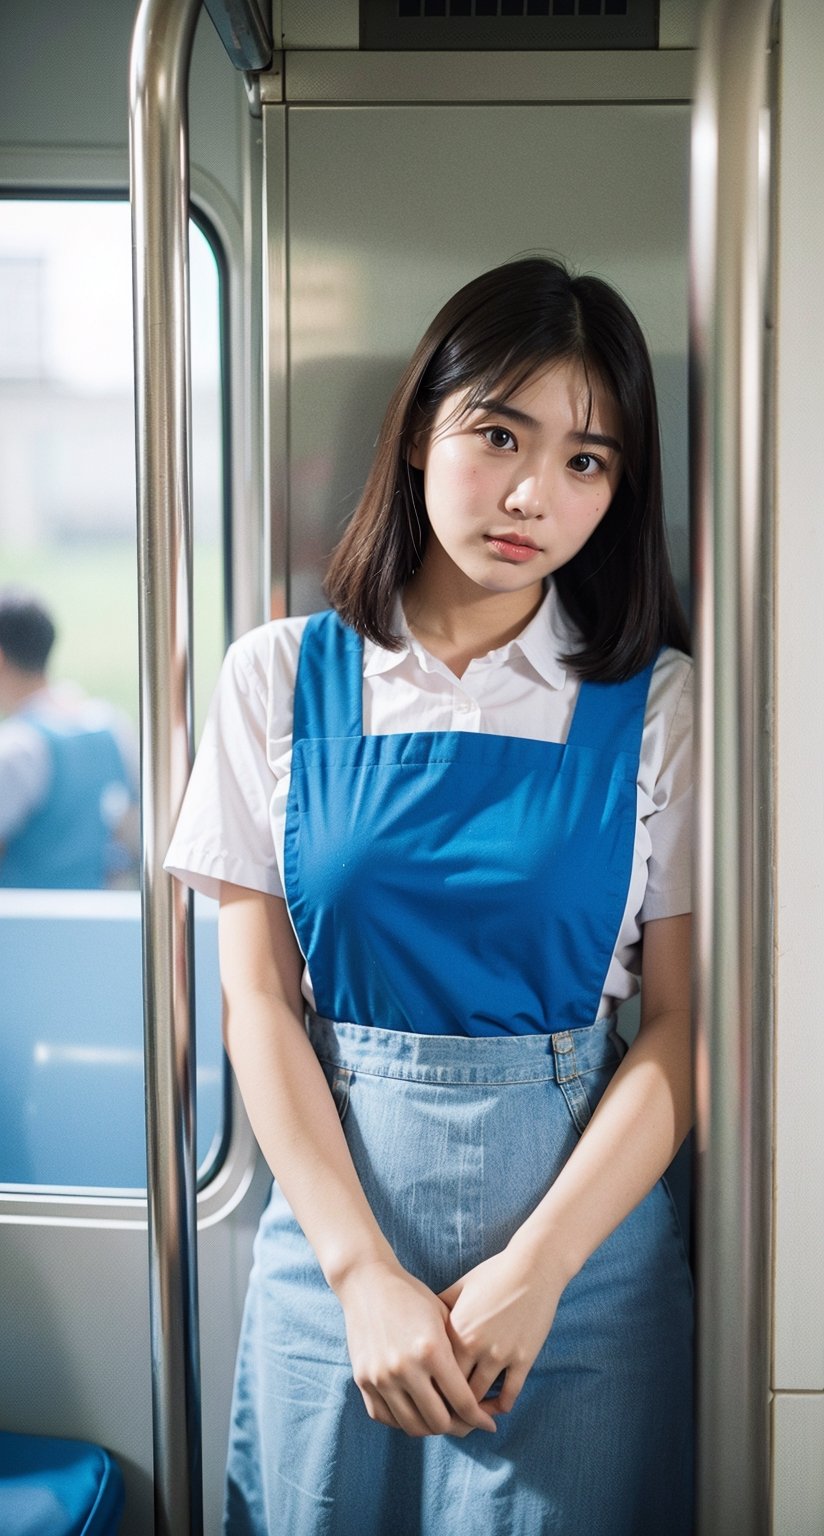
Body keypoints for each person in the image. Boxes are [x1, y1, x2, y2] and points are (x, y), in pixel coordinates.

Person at [166, 256, 694, 1536]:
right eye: (496, 433)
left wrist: (538, 1267)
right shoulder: (277, 678)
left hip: (577, 1271)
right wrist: (360, 1273)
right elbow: (256, 1004)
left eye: (586, 460)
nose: (531, 494)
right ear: (417, 433)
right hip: (335, 1251)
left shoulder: (660, 707)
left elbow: (685, 1029)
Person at [0, 588, 138, 889]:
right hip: (98, 914)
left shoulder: (16, 748)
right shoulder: (110, 725)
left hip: (26, 923)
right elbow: (130, 829)